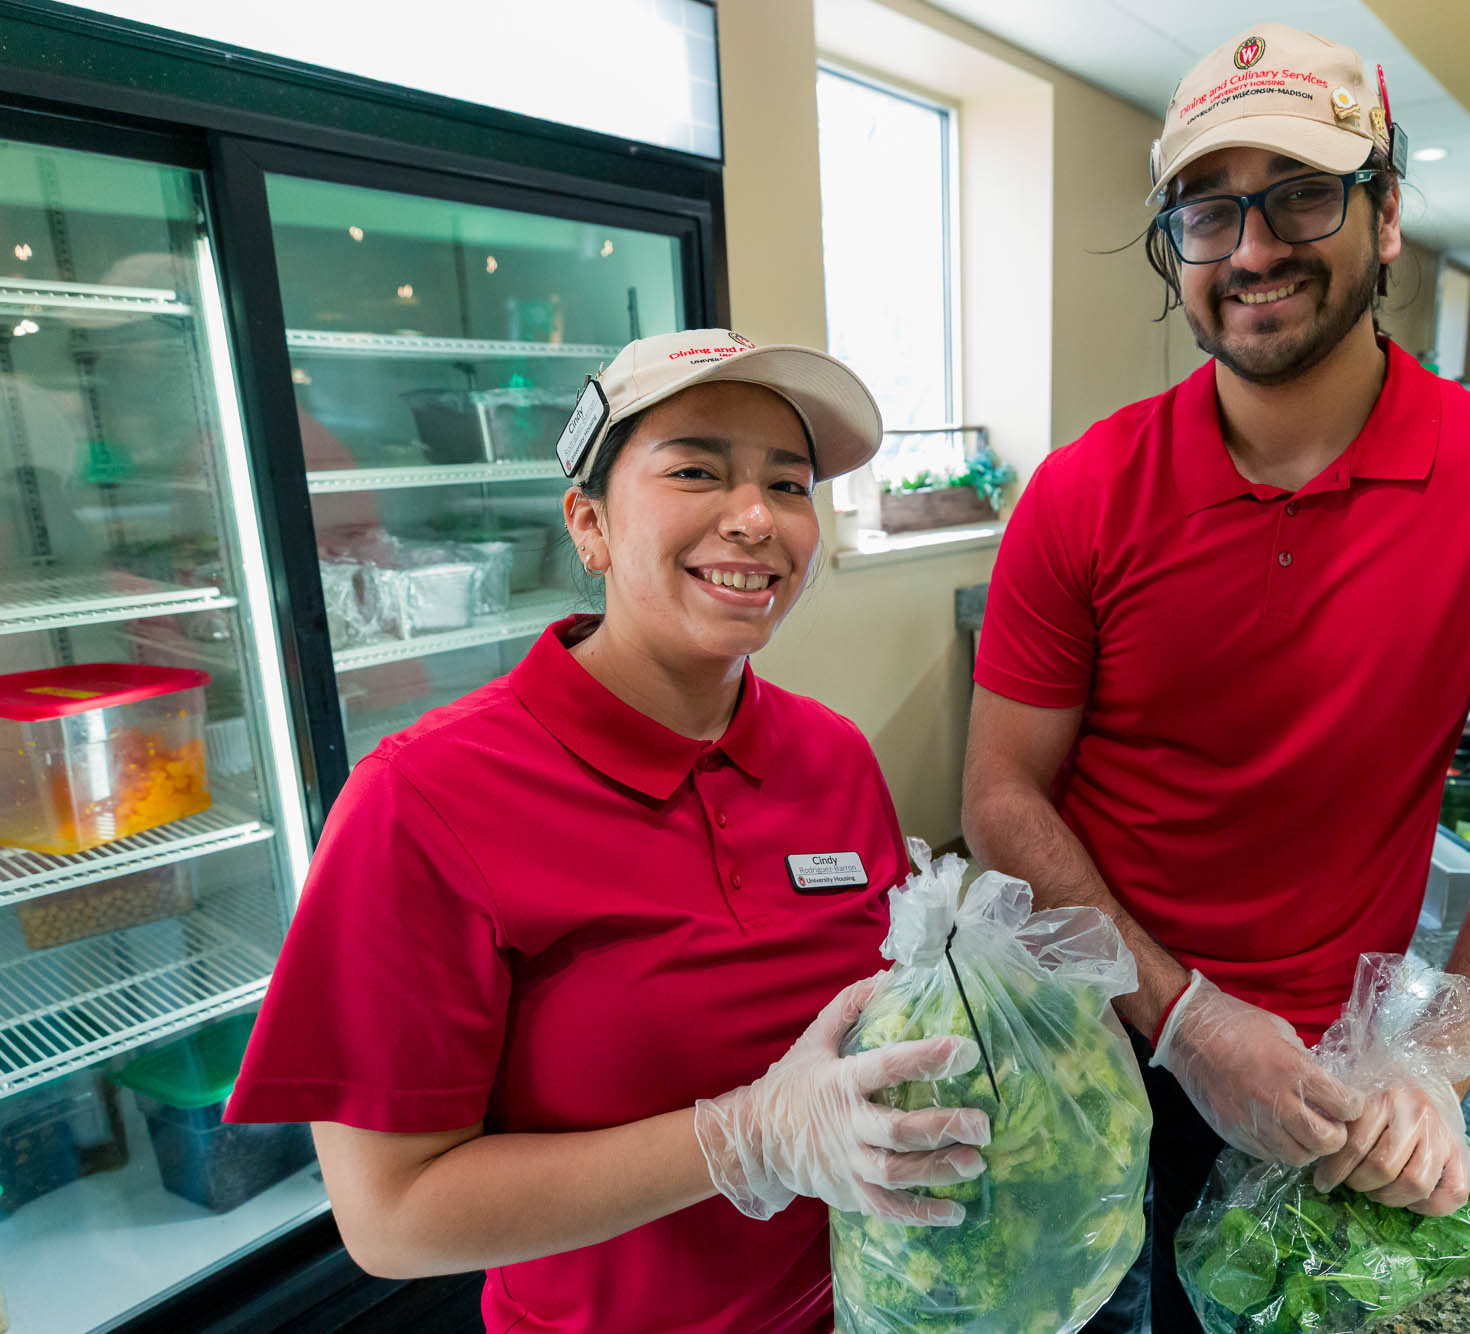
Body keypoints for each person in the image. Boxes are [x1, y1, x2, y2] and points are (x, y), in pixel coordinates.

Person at [962, 23, 1470, 1332]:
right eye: (1209, 211)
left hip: (1332, 1073)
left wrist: (1434, 1064)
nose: (1253, 248)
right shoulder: (1083, 494)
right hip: (1081, 1033)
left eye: (1301, 194)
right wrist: (1186, 1018)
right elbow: (999, 793)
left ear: (1385, 218)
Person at [227, 329, 992, 1334]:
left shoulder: (832, 756)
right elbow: (390, 1215)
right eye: (694, 469)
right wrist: (741, 1137)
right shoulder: (422, 799)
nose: (755, 516)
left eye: (789, 483)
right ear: (588, 525)